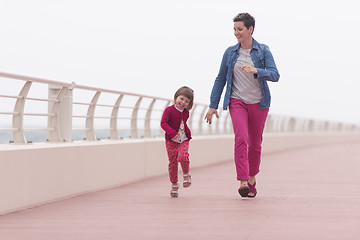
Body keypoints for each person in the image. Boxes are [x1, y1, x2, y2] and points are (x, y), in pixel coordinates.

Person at [205, 13, 280, 198]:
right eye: (234, 29)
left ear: (250, 29)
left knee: (255, 144)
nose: (236, 33)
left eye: (240, 29)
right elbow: (221, 78)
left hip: (259, 103)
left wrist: (257, 70)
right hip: (237, 101)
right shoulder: (230, 52)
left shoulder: (263, 51)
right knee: (241, 138)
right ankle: (243, 181)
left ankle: (252, 180)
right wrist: (213, 105)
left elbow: (275, 75)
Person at [161, 86, 194, 198]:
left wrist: (182, 135)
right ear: (176, 98)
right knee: (173, 163)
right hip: (171, 141)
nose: (183, 102)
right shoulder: (169, 110)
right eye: (181, 99)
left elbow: (183, 124)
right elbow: (163, 123)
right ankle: (174, 184)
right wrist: (173, 133)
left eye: (186, 101)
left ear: (189, 104)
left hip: (183, 139)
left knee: (183, 156)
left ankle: (186, 174)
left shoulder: (186, 113)